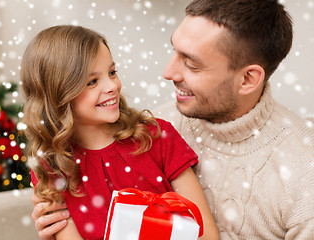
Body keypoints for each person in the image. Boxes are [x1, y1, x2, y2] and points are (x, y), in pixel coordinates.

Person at [31, 0, 314, 239]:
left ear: (248, 78)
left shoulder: (303, 176)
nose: (168, 72)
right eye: (174, 50)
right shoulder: (162, 120)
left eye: (191, 64)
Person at [21, 25, 219, 240]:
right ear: (58, 95)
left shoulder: (156, 136)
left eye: (112, 72)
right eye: (92, 81)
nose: (112, 86)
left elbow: (206, 233)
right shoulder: (52, 166)